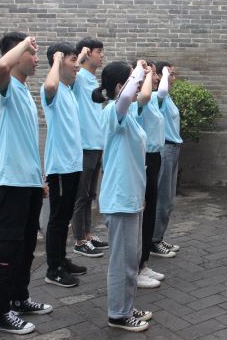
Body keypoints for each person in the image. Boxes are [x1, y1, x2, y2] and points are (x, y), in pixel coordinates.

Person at [0, 32, 52, 335]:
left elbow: (26, 142)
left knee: (26, 249)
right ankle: (1, 314)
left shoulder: (25, 90)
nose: (36, 58)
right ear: (15, 55)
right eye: (31, 53)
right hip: (10, 185)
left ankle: (19, 298)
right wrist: (24, 42)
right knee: (8, 252)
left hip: (28, 185)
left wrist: (39, 178)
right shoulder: (3, 87)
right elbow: (1, 67)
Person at [93, 61, 153, 332]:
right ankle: (118, 314)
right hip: (120, 201)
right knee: (122, 263)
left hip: (131, 199)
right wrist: (139, 69)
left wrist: (141, 196)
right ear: (120, 86)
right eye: (132, 80)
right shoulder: (112, 112)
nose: (138, 85)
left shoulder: (127, 115)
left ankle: (126, 306)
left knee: (132, 259)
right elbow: (129, 95)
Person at [41, 43, 86, 288]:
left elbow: (77, 68)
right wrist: (57, 59)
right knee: (58, 220)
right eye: (71, 60)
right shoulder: (52, 89)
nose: (76, 65)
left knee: (65, 216)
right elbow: (50, 85)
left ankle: (62, 259)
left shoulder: (68, 90)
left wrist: (78, 57)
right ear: (58, 62)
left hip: (73, 165)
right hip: (59, 166)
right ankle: (53, 269)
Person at [71, 37, 108, 258]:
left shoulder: (93, 80)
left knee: (90, 194)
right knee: (81, 195)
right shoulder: (78, 77)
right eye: (98, 51)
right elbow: (66, 79)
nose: (102, 55)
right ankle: (79, 240)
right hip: (84, 145)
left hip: (97, 144)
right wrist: (79, 58)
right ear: (87, 53)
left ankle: (87, 234)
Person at [135, 60, 167, 288]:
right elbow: (148, 93)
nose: (155, 78)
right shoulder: (139, 100)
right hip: (144, 158)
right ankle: (136, 267)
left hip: (154, 158)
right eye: (152, 74)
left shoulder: (154, 100)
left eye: (155, 74)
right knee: (143, 216)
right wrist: (144, 72)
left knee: (150, 214)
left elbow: (159, 92)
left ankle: (143, 263)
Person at [151, 61, 181, 258]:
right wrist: (163, 71)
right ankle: (153, 241)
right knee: (162, 198)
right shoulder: (157, 97)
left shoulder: (167, 98)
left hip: (173, 150)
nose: (173, 78)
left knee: (168, 200)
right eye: (171, 74)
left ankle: (159, 237)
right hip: (165, 149)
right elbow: (160, 91)